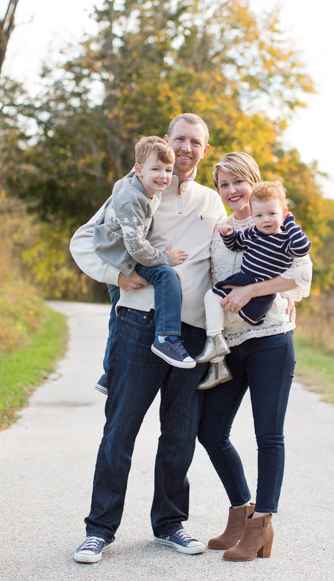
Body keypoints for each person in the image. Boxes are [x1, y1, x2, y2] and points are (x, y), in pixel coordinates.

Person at [70, 113, 227, 563]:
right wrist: (119, 275)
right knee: (120, 430)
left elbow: (226, 263)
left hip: (191, 334)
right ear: (166, 141)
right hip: (138, 326)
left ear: (204, 150)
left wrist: (283, 295)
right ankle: (99, 529)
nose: (186, 148)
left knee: (179, 434)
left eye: (195, 142)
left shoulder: (211, 202)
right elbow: (84, 240)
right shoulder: (135, 189)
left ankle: (170, 524)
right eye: (179, 139)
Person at [197, 152, 312, 562]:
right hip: (230, 345)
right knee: (210, 431)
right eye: (223, 185)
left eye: (237, 183)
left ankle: (262, 523)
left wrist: (254, 290)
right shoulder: (220, 228)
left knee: (268, 435)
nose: (231, 192)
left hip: (269, 340)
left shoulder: (276, 220)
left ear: (254, 181)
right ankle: (241, 511)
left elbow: (302, 275)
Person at [93, 135, 195, 373]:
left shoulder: (144, 187)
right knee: (166, 276)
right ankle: (166, 338)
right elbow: (136, 247)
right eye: (156, 169)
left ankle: (109, 374)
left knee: (116, 321)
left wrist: (152, 143)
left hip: (119, 253)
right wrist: (165, 258)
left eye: (168, 170)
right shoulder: (130, 199)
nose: (163, 176)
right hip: (120, 256)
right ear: (138, 170)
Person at [195, 180, 311, 370]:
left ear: (283, 212)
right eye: (259, 215)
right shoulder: (253, 232)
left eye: (272, 214)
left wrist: (289, 221)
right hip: (243, 279)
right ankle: (216, 345)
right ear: (253, 214)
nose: (265, 220)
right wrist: (228, 235)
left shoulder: (285, 237)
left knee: (223, 304)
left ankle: (216, 348)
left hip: (260, 294)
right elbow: (236, 245)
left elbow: (301, 249)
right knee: (212, 298)